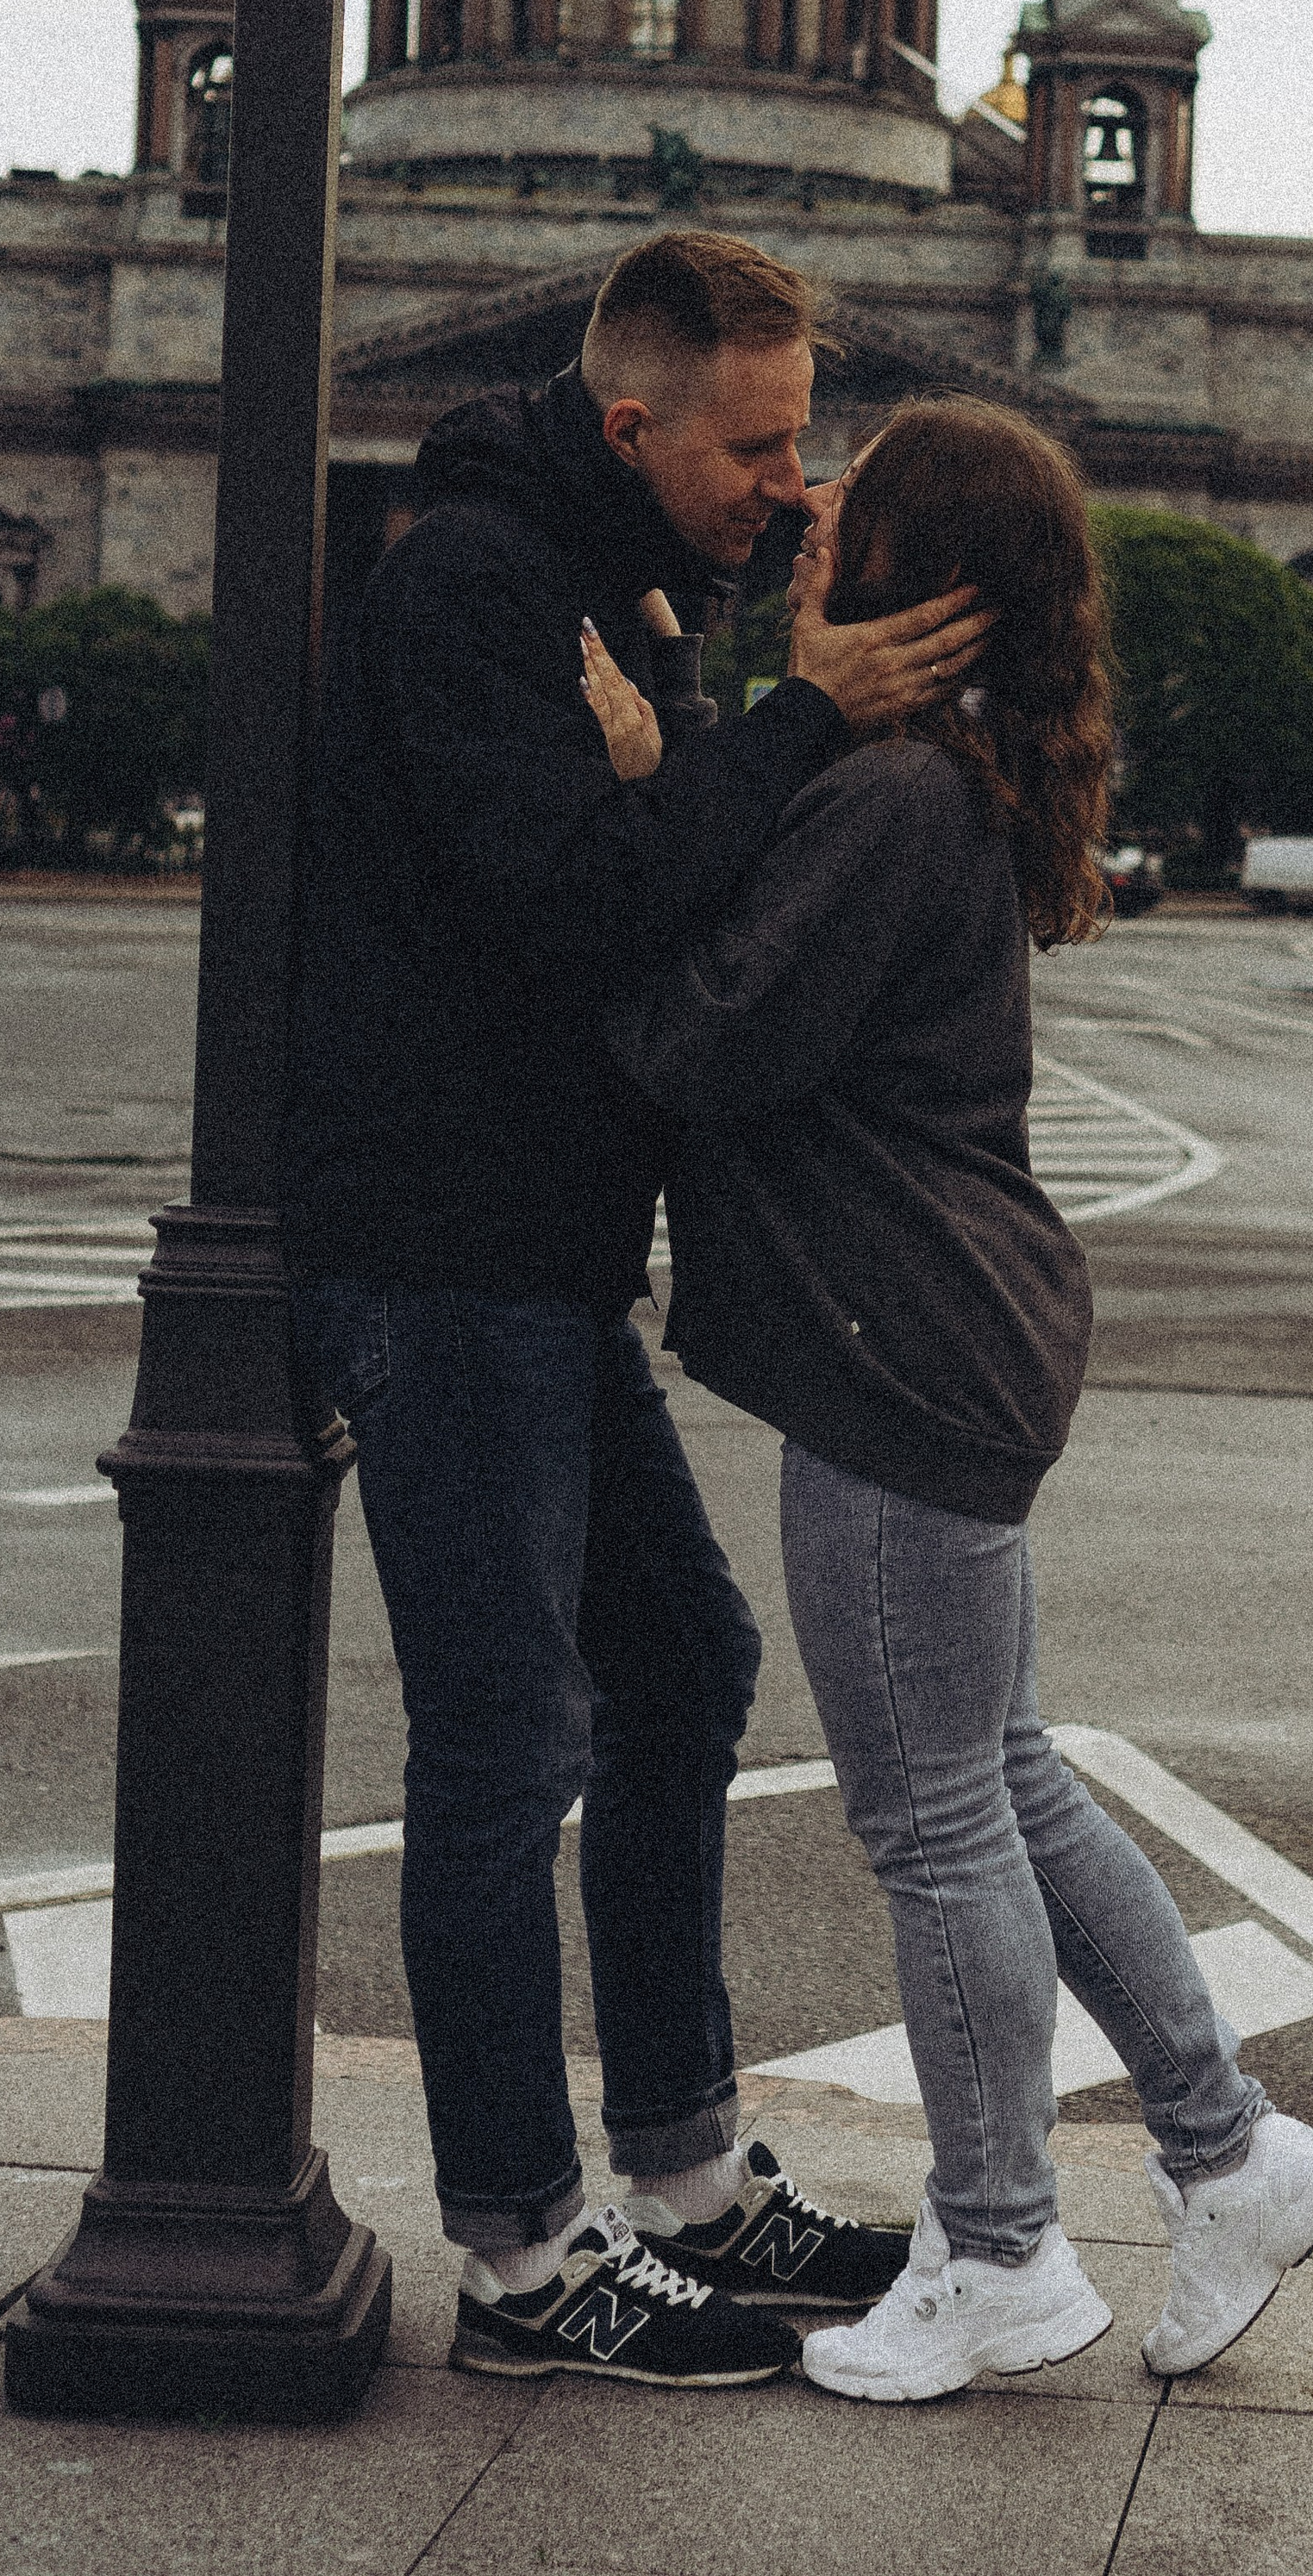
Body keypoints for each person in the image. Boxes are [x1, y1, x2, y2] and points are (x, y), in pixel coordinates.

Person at [586, 396, 1313, 2404]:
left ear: (907, 584)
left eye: (835, 520)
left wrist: (634, 811)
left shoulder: (883, 804)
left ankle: (1003, 2247)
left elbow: (693, 1038)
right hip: (953, 1335)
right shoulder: (922, 790)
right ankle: (1225, 2148)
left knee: (931, 1815)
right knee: (1002, 1772)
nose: (801, 536)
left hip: (893, 1351)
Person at [283, 229, 990, 2392]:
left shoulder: (610, 589)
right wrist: (782, 723)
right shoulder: (481, 586)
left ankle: (683, 2183)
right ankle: (519, 2255)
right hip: (442, 1240)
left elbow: (659, 863)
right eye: (758, 445)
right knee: (507, 1740)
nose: (791, 484)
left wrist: (688, 733)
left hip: (533, 1249)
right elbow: (582, 905)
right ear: (632, 425)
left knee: (676, 1665)